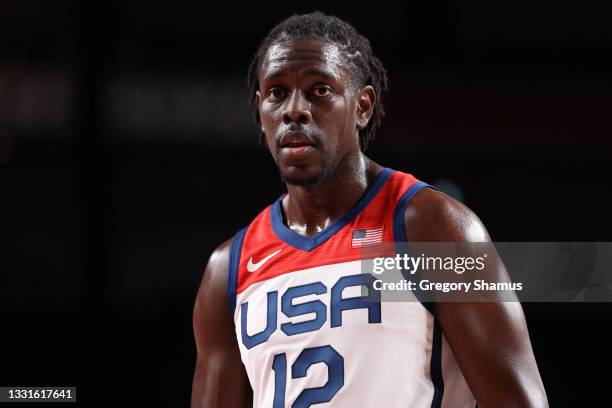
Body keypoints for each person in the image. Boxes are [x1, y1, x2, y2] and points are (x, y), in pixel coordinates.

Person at [191, 12, 548, 408]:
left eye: (319, 90)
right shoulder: (229, 268)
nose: (295, 109)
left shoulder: (430, 226)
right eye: (277, 92)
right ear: (260, 112)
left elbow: (520, 401)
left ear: (362, 106)